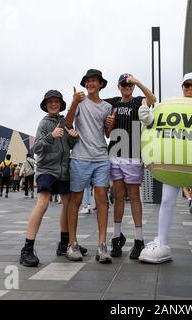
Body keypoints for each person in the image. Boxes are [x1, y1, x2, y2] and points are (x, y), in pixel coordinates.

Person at [137, 72, 192, 267]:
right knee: (167, 200)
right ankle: (162, 241)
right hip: (173, 163)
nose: (190, 89)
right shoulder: (170, 106)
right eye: (187, 85)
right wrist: (148, 121)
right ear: (182, 86)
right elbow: (158, 127)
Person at [19, 90, 84, 267]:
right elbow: (36, 149)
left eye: (57, 101)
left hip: (63, 170)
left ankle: (64, 244)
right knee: (43, 203)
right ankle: (27, 249)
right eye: (50, 102)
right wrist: (50, 136)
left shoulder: (64, 121)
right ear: (46, 105)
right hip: (47, 169)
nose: (54, 104)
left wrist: (73, 139)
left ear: (61, 104)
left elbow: (67, 146)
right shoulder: (44, 123)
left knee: (68, 203)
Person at [65, 69, 115, 263]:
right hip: (80, 157)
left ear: (101, 84)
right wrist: (74, 103)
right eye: (88, 81)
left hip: (101, 157)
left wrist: (110, 124)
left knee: (102, 197)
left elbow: (107, 133)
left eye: (94, 81)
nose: (90, 84)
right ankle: (72, 243)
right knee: (76, 199)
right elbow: (69, 124)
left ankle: (102, 245)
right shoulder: (80, 101)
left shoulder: (107, 107)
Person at [105, 73, 156, 259]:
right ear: (118, 87)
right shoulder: (113, 103)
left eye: (129, 85)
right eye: (124, 85)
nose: (127, 87)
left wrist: (138, 82)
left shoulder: (139, 101)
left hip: (133, 154)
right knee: (118, 196)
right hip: (115, 154)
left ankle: (139, 238)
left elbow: (153, 99)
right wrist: (108, 124)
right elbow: (107, 131)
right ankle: (116, 237)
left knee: (134, 195)